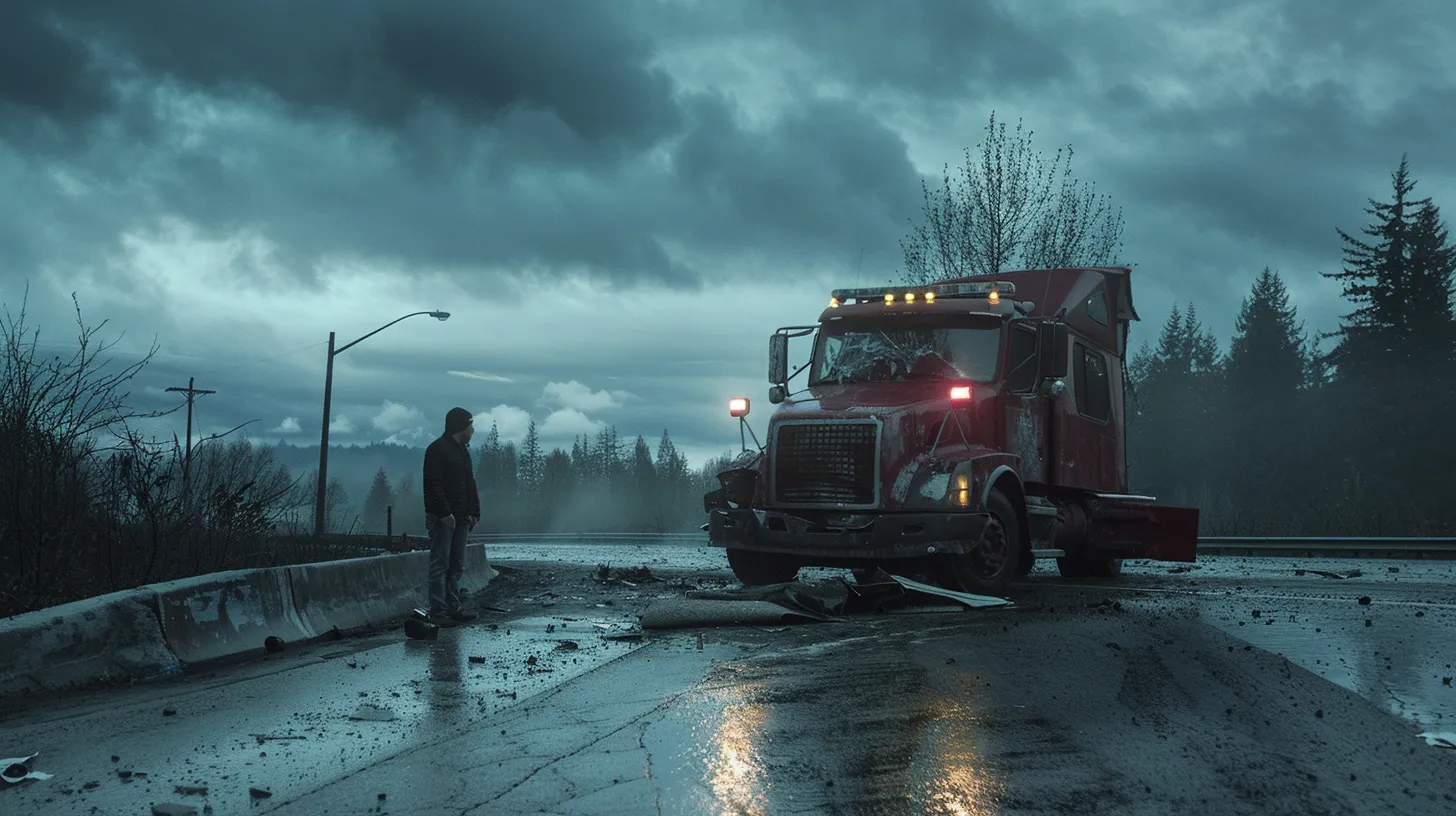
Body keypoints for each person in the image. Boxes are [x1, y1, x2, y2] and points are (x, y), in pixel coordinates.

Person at [422, 407, 481, 626]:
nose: (472, 429)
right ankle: (438, 610)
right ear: (460, 426)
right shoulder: (437, 449)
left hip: (462, 516)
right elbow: (432, 484)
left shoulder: (462, 452)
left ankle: (453, 606)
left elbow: (470, 484)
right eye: (470, 425)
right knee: (440, 563)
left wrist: (475, 512)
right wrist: (444, 513)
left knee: (456, 565)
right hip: (443, 517)